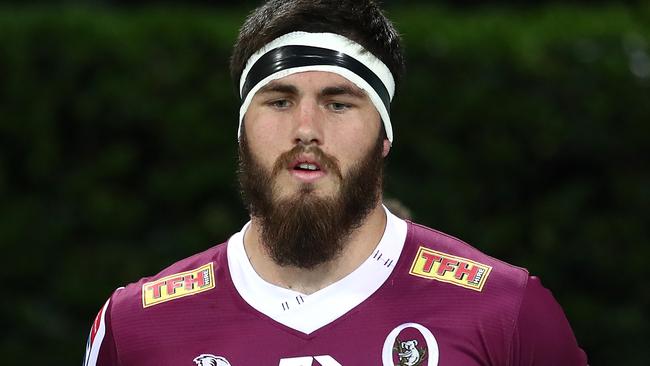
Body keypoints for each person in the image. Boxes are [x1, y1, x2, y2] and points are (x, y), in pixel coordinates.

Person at [83, 0, 588, 365]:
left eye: (338, 103)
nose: (306, 129)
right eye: (279, 101)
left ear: (384, 135)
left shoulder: (505, 312)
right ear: (242, 131)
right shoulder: (137, 328)